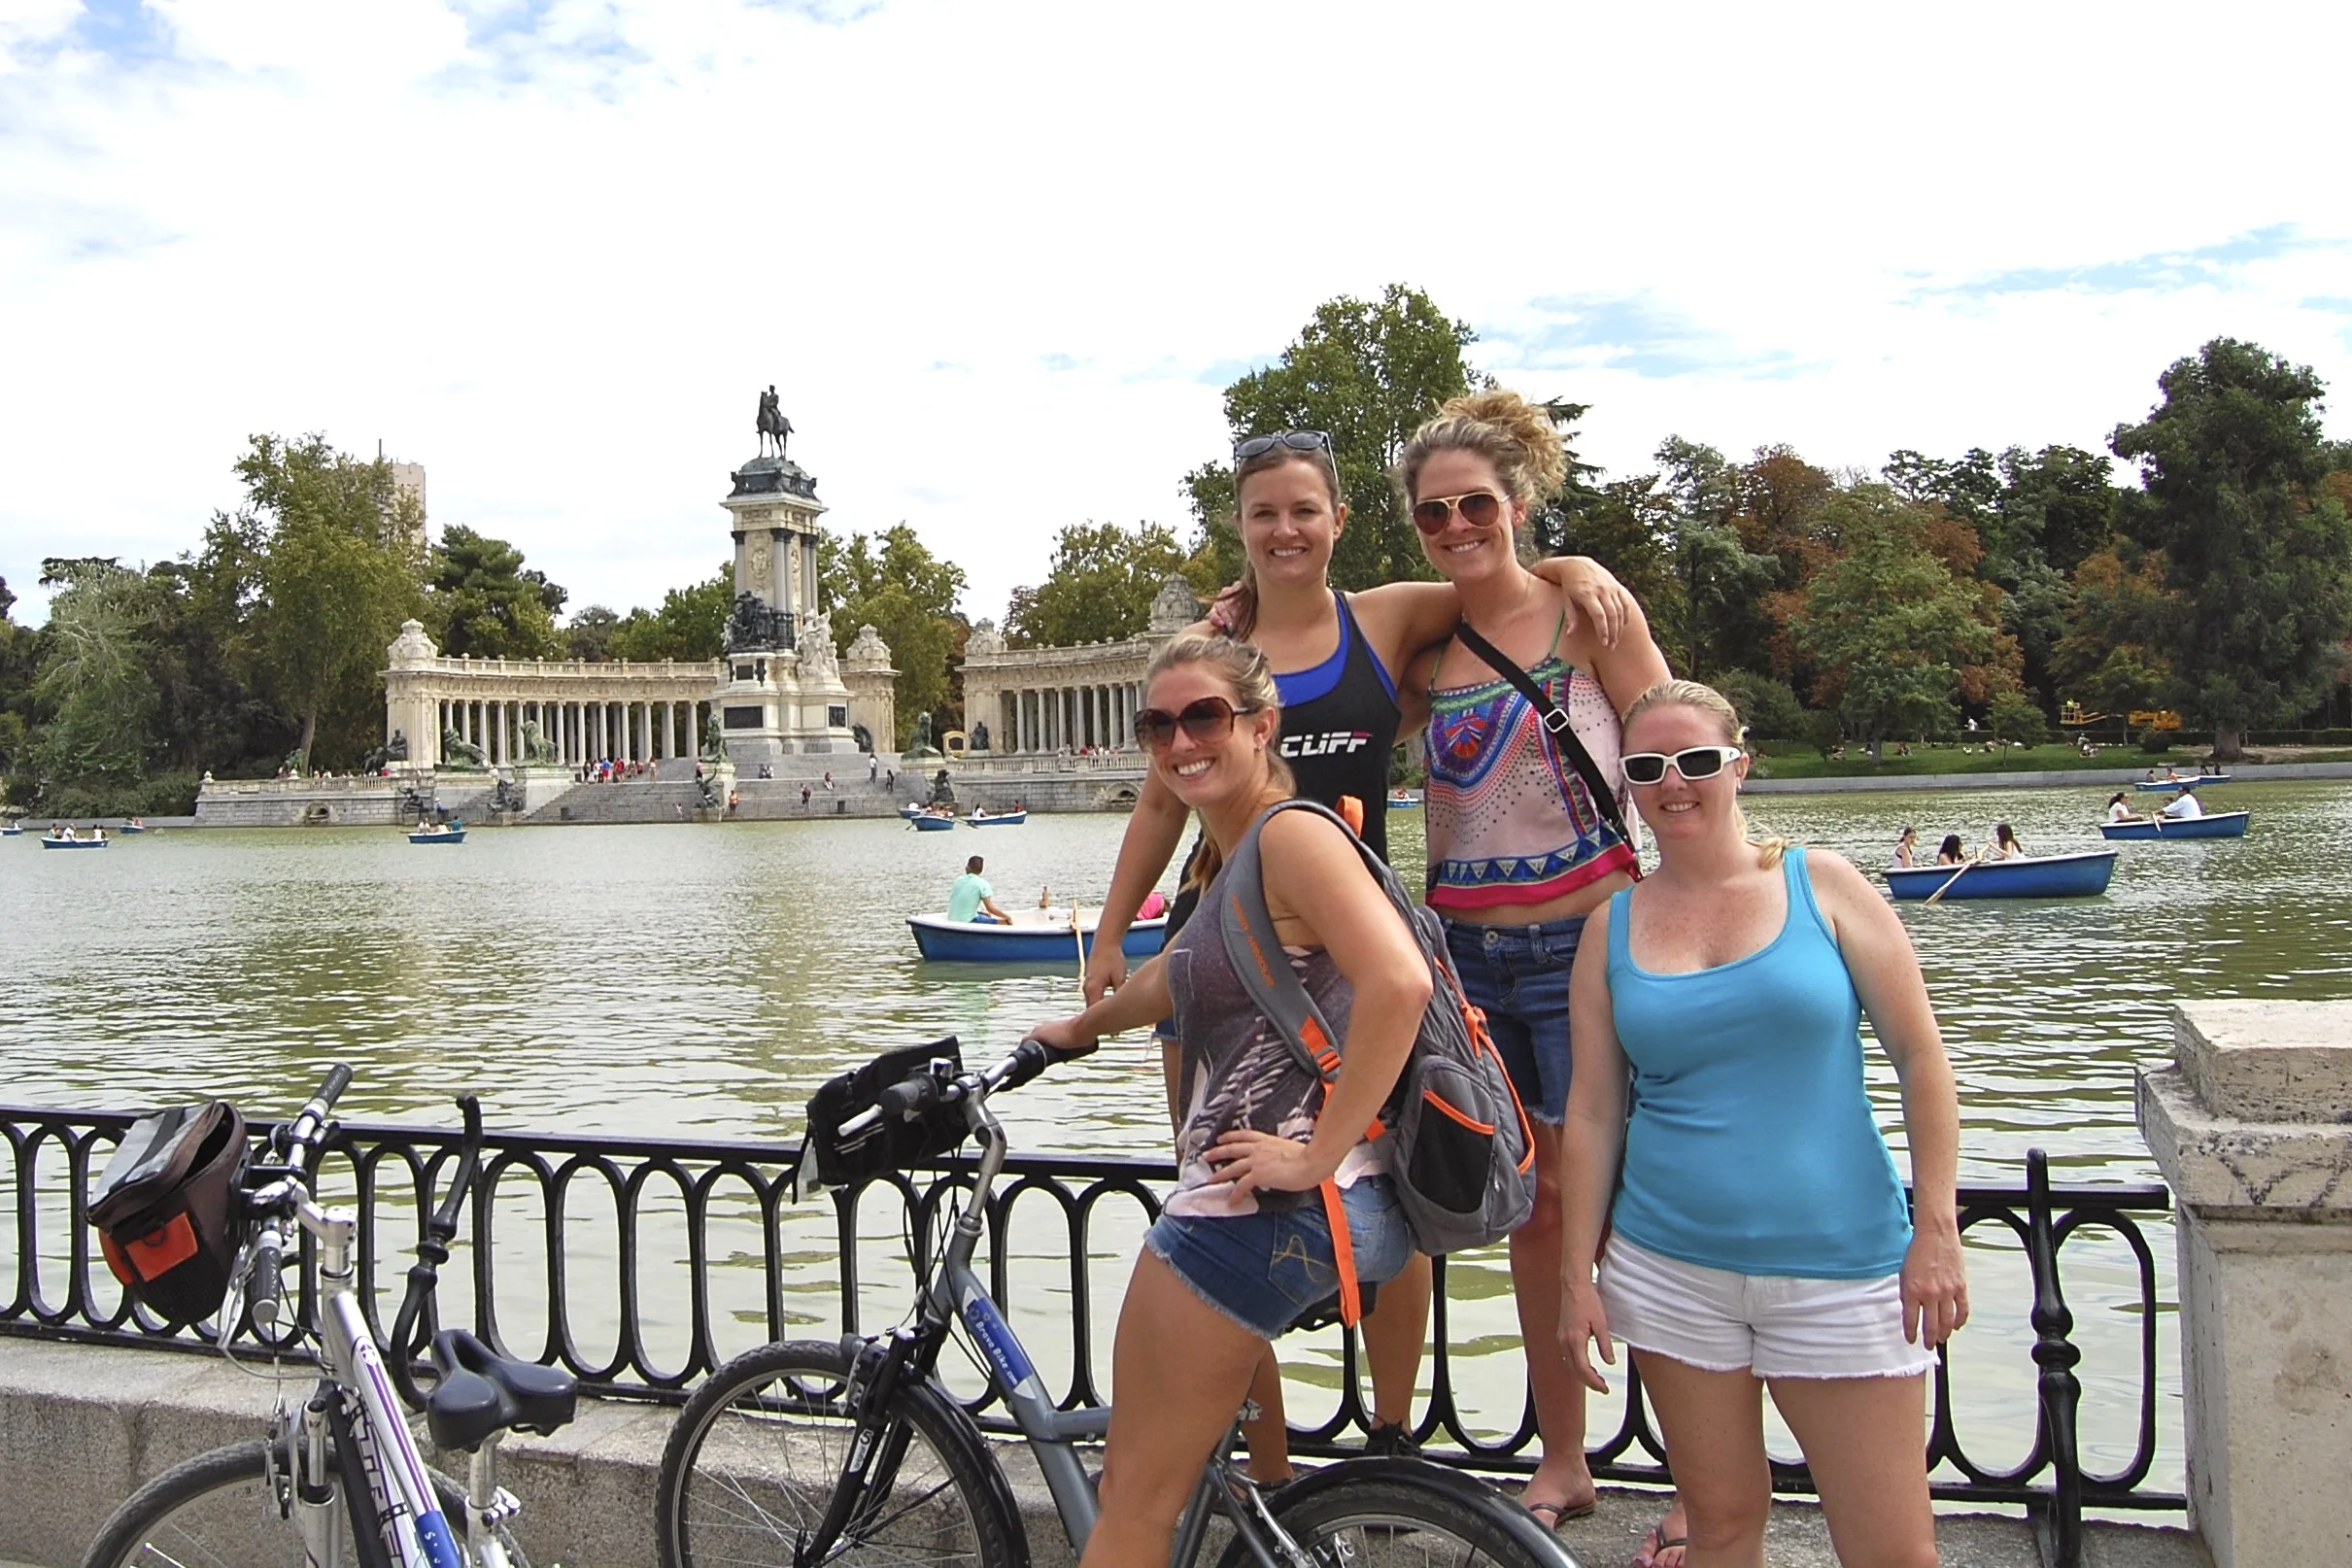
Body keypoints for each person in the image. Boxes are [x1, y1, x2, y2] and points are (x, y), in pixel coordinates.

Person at [1082, 424, 1639, 1482]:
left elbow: (1500, 585)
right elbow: (1162, 799)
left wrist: (1576, 562)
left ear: (1338, 521)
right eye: (1263, 512)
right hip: (1218, 937)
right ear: (1239, 527)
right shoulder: (1219, 655)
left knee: (1404, 1181)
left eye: (1304, 509)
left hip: (1357, 939)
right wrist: (1111, 934)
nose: (1284, 530)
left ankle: (1391, 1435)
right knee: (1214, 1188)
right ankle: (1270, 1454)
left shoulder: (1386, 618)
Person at [1025, 634, 1428, 1568]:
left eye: (1204, 715)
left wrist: (1313, 1153)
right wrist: (1079, 1030)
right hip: (1332, 1211)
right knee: (1191, 1472)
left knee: (1131, 1503)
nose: (1180, 740)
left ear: (1261, 724)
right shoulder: (1239, 852)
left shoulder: (1289, 837)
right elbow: (1178, 975)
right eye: (1158, 724)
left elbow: (1398, 985)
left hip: (1267, 1211)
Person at [1559, 678, 1966, 1568]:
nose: (1674, 783)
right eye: (1646, 766)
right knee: (1721, 1531)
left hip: (1841, 1266)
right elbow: (1592, 1112)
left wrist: (1936, 1227)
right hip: (1668, 1271)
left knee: (1892, 1551)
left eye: (1696, 760)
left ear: (1738, 766)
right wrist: (1573, 1276)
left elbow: (1921, 1058)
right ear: (1625, 782)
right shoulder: (1609, 925)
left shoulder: (1821, 884)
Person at [1401, 390, 1671, 1527]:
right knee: (1531, 1208)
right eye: (1434, 513)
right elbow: (1303, 628)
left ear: (1517, 503)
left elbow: (1674, 748)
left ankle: (1701, 1476)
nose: (1459, 525)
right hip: (1466, 955)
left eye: (1478, 504)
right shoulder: (1421, 646)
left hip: (1591, 942)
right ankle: (1564, 1456)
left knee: (1631, 1206)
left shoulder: (1590, 616)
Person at [948, 855, 1011, 925]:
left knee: (986, 915)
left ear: (967, 868)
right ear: (981, 871)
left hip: (952, 918)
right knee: (1006, 922)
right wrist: (1007, 917)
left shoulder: (958, 880)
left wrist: (980, 912)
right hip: (968, 920)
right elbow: (990, 908)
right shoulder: (982, 884)